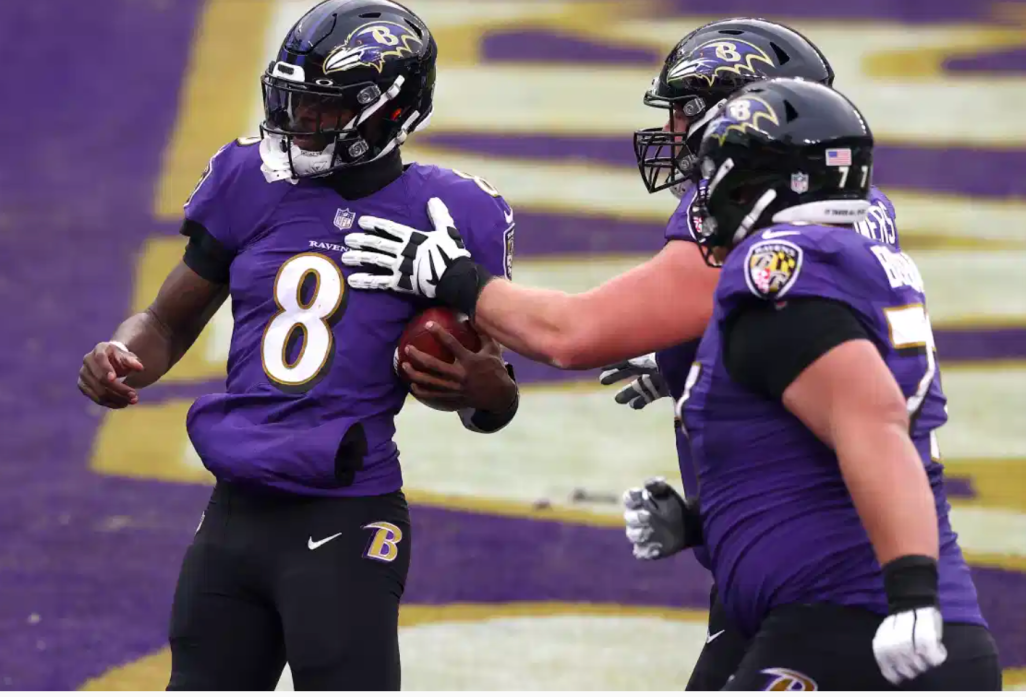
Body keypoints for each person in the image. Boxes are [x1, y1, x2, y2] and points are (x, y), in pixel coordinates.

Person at [339, 17, 895, 690]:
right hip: (806, 547)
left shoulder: (757, 226)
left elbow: (573, 334)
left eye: (686, 113)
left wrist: (457, 279)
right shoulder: (853, 207)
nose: (673, 133)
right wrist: (698, 370)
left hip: (826, 575)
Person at [76, 0, 519, 689]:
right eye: (295, 100)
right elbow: (164, 323)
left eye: (324, 106)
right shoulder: (249, 179)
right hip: (237, 505)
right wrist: (121, 353)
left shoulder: (450, 212)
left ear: (391, 111)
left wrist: (489, 394)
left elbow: (485, 392)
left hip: (347, 511)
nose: (301, 120)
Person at [677, 77, 999, 689]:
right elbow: (820, 454)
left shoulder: (779, 266)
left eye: (729, 184)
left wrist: (910, 591)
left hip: (854, 622)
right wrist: (700, 520)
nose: (712, 202)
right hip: (897, 618)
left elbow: (871, 421)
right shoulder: (860, 258)